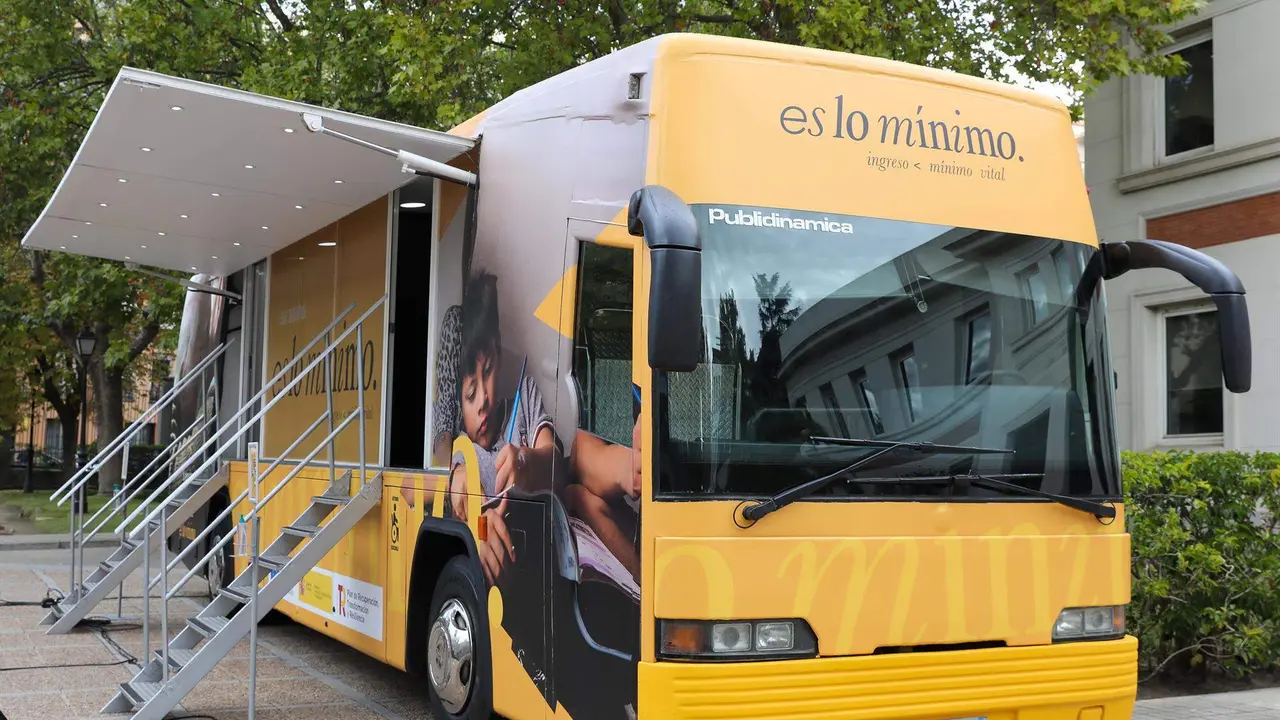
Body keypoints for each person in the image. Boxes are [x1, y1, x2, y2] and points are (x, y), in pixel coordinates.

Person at [448, 270, 558, 585]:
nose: (483, 398)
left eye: (490, 369)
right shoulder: (457, 445)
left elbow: (556, 463)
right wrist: (475, 515)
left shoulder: (524, 396)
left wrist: (525, 460)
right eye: (469, 394)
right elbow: (456, 486)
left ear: (499, 349)